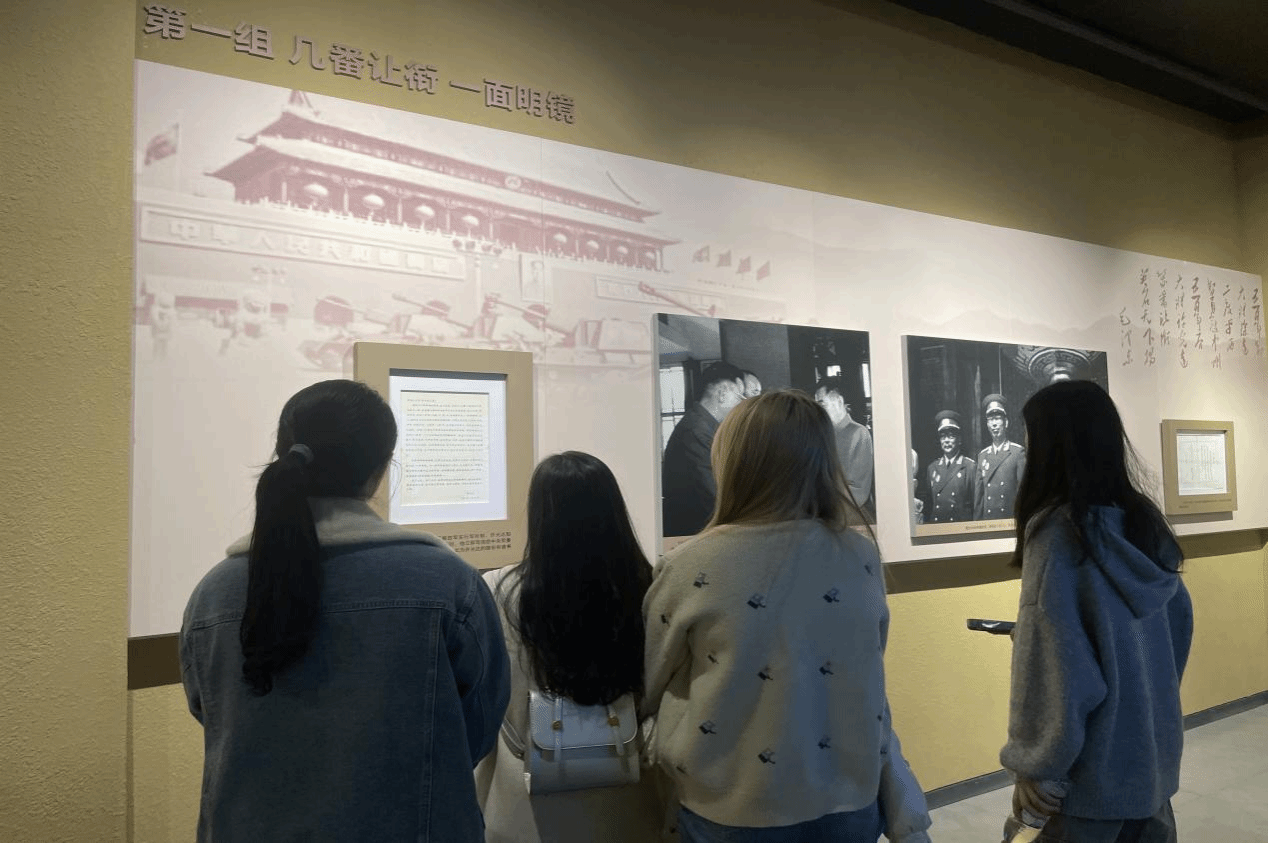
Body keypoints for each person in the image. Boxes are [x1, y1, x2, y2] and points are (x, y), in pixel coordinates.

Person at [180, 379, 511, 842]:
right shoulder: (450, 585)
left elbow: (212, 715)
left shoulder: (213, 594)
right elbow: (477, 726)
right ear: (380, 468)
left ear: (284, 454)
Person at [644, 390, 932, 843]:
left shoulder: (689, 565)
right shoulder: (860, 555)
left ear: (731, 461)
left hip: (729, 807)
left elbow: (649, 682)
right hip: (848, 800)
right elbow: (867, 667)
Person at [1000, 380, 1191, 843]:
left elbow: (1056, 667)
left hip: (1088, 787)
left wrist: (1035, 764)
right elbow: (1178, 631)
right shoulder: (1144, 524)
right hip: (1151, 769)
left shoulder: (1058, 535)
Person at [476, 451, 663, 842]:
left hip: (529, 800)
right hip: (630, 792)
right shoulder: (647, 586)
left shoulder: (499, 590)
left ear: (539, 516)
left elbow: (491, 697)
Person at [662, 361, 746, 536]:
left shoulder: (702, 426)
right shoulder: (696, 431)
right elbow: (712, 495)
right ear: (723, 393)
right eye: (740, 397)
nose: (741, 406)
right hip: (692, 531)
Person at [813, 375, 876, 521]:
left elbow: (858, 491)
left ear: (839, 401)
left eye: (822, 404)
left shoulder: (859, 434)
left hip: (851, 518)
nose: (817, 411)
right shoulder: (819, 435)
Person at [974, 394, 1026, 521]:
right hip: (987, 523)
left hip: (1009, 521)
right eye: (990, 420)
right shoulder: (982, 456)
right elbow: (979, 500)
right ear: (987, 424)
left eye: (997, 419)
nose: (994, 424)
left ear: (1006, 422)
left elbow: (1023, 493)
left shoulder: (1017, 453)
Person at [925, 410, 976, 523]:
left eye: (951, 436)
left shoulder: (969, 467)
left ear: (959, 440)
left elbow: (975, 506)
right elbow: (929, 506)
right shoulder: (932, 468)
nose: (946, 441)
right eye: (943, 437)